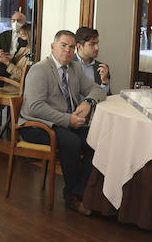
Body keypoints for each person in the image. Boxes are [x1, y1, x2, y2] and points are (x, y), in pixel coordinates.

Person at [21, 29, 106, 214]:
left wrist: (88, 102)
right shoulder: (39, 70)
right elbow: (35, 107)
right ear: (53, 47)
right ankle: (73, 197)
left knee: (98, 140)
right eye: (63, 45)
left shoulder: (75, 68)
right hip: (38, 124)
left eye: (71, 47)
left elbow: (98, 90)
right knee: (72, 142)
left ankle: (78, 192)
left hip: (67, 123)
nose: (68, 50)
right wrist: (68, 120)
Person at [73, 26, 110, 95]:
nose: (97, 48)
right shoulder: (68, 65)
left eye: (97, 43)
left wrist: (104, 82)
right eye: (92, 44)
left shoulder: (102, 68)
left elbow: (106, 96)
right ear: (79, 46)